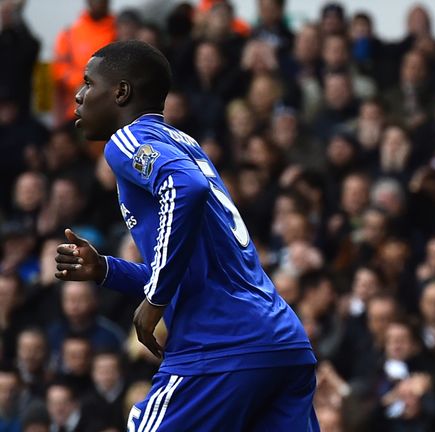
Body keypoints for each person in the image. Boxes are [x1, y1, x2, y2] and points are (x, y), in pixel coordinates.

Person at [54, 40, 318, 431]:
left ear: (121, 92)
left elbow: (185, 186)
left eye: (89, 83)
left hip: (220, 345)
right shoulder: (184, 143)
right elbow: (191, 273)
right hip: (280, 343)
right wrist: (106, 269)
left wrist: (155, 301)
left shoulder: (127, 141)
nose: (78, 95)